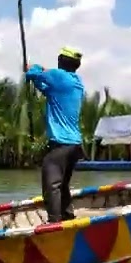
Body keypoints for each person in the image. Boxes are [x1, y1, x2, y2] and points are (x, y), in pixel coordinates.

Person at [25, 46, 86, 222]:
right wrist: (38, 78)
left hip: (62, 142)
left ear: (60, 61)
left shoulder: (59, 76)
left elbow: (32, 73)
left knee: (51, 184)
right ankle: (67, 215)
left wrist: (31, 68)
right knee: (63, 184)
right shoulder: (75, 83)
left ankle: (54, 221)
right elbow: (45, 88)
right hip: (74, 145)